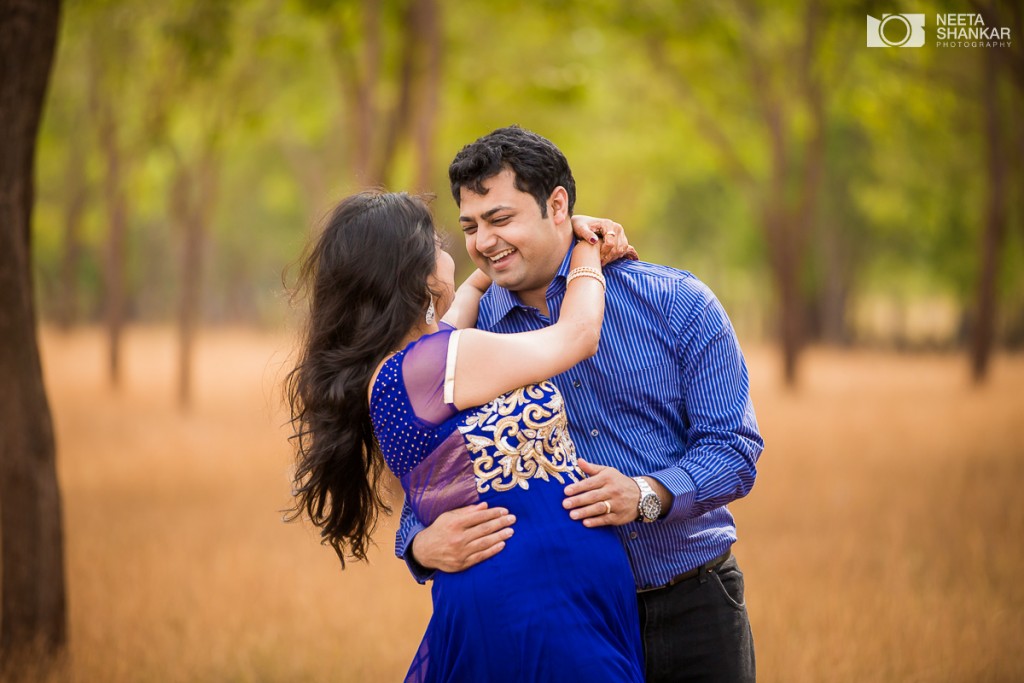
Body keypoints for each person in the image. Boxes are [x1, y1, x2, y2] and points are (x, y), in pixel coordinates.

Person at [398, 125, 765, 682]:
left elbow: (734, 450)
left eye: (500, 219)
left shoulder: (677, 302)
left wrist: (646, 493)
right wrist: (420, 545)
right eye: (470, 226)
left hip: (692, 603)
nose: (484, 241)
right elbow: (429, 471)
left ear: (558, 205)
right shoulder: (470, 342)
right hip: (555, 626)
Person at [286, 190, 644, 682]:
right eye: (435, 240)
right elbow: (578, 334)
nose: (452, 246)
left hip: (536, 592)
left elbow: (465, 303)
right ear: (412, 271)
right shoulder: (439, 363)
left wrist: (543, 238)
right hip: (533, 601)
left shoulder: (407, 365)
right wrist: (585, 245)